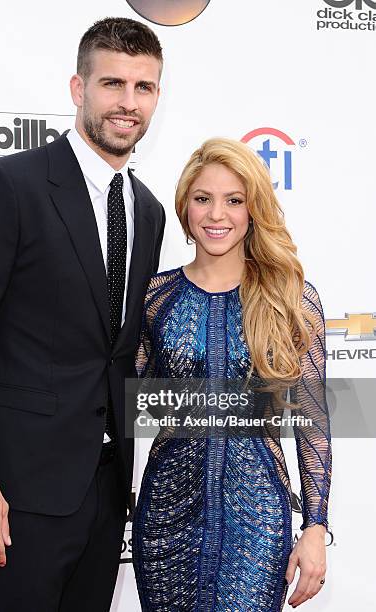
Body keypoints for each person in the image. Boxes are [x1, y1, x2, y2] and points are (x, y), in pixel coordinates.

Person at [0, 17, 165, 612]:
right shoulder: (8, 186)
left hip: (108, 493)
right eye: (112, 84)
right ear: (78, 89)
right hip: (14, 496)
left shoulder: (149, 210)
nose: (127, 103)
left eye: (144, 87)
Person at [132, 138, 332, 610]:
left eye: (234, 200)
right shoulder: (154, 299)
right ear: (185, 207)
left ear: (252, 210)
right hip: (166, 515)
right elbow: (120, 397)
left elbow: (312, 422)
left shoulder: (290, 300)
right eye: (203, 199)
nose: (216, 214)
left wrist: (316, 526)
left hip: (258, 521)